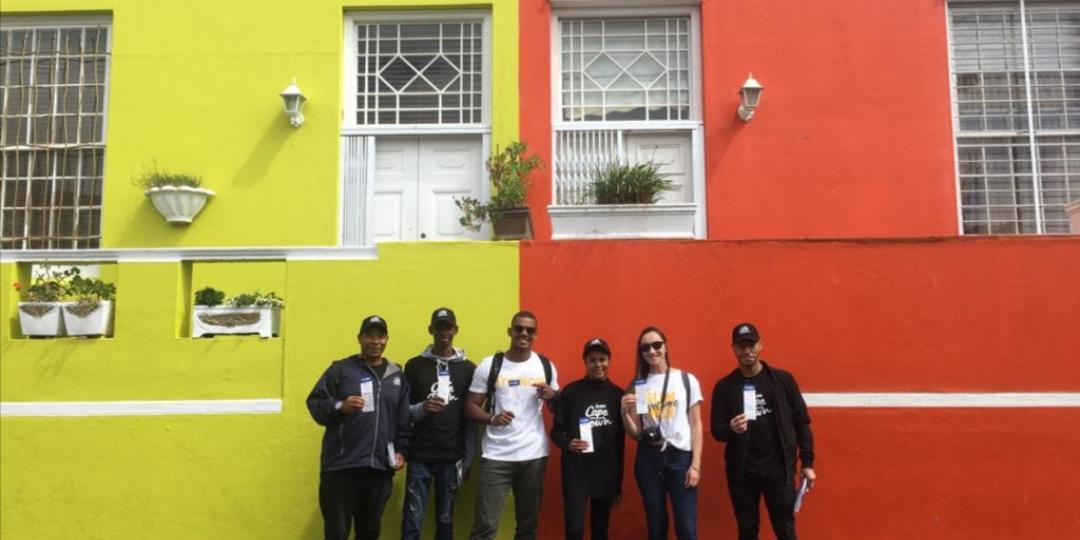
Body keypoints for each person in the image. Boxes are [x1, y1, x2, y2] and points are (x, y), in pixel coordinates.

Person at [306, 315, 411, 540]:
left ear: (387, 340)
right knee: (337, 533)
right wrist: (340, 406)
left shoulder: (397, 377)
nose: (375, 341)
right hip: (341, 468)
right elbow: (314, 403)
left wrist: (401, 451)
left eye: (380, 336)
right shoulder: (341, 370)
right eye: (369, 336)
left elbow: (403, 422)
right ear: (359, 339)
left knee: (369, 534)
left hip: (379, 470)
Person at [710, 322, 816, 540]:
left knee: (785, 529)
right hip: (742, 472)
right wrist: (731, 428)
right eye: (741, 346)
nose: (747, 351)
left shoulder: (782, 381)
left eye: (751, 345)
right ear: (734, 349)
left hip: (779, 470)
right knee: (747, 530)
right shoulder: (725, 387)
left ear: (760, 345)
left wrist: (807, 463)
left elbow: (801, 421)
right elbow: (716, 430)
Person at [465, 311, 559, 540]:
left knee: (527, 526)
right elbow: (470, 406)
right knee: (485, 526)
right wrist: (491, 418)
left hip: (533, 455)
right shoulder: (490, 365)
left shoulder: (545, 366)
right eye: (519, 328)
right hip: (496, 456)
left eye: (529, 330)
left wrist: (552, 397)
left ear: (536, 334)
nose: (524, 333)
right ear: (510, 331)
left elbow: (559, 409)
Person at [620, 326, 704, 540]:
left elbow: (696, 424)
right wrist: (624, 413)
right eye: (645, 347)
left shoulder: (686, 380)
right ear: (640, 353)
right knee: (656, 526)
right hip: (649, 458)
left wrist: (695, 465)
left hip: (680, 458)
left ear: (665, 347)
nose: (652, 351)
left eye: (657, 345)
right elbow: (636, 434)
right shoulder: (639, 385)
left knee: (686, 527)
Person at [401, 307, 477, 540]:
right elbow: (402, 413)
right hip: (419, 456)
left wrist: (468, 457)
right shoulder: (414, 366)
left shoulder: (468, 369)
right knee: (413, 521)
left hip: (451, 458)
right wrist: (422, 408)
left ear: (455, 330)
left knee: (445, 522)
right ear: (430, 330)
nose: (443, 332)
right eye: (439, 327)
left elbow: (470, 418)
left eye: (448, 327)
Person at [550, 338, 626, 540]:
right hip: (576, 474)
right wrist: (568, 444)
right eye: (593, 360)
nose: (598, 364)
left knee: (600, 532)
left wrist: (618, 481)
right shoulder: (571, 392)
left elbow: (620, 444)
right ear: (585, 362)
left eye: (602, 359)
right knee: (574, 531)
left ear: (609, 360)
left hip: (606, 474)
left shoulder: (618, 395)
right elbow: (555, 432)